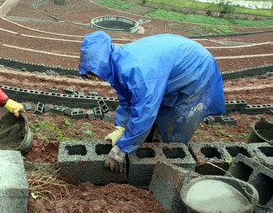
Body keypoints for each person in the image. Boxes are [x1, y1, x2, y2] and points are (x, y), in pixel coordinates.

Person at [79, 31, 226, 172]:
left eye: (96, 74)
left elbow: (146, 111)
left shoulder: (138, 72)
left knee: (173, 124)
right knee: (150, 114)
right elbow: (128, 100)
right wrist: (121, 128)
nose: (99, 79)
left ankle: (165, 164)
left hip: (196, 70)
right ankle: (145, 141)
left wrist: (121, 149)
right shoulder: (119, 61)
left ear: (102, 65)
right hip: (172, 65)